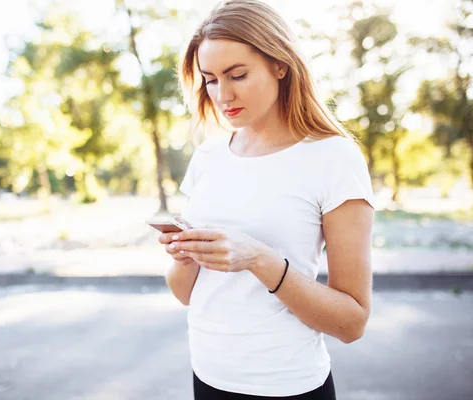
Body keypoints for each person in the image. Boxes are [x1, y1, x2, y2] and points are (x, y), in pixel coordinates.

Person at [158, 1, 375, 399]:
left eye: (237, 74)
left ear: (281, 65)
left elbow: (351, 323)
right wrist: (185, 254)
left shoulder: (333, 158)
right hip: (207, 376)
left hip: (286, 386)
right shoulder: (209, 156)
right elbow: (186, 293)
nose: (223, 95)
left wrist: (260, 259)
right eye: (210, 79)